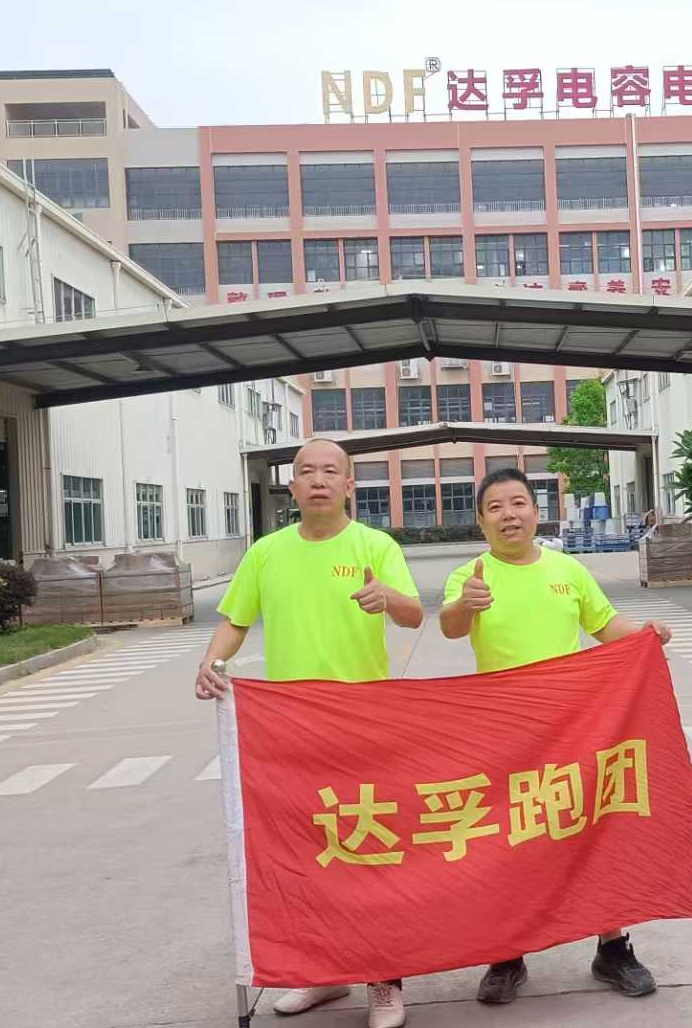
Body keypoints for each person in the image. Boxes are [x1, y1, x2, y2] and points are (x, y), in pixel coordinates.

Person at [193, 438, 421, 1028]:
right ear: (291, 487)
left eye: (330, 471)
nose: (318, 480)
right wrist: (212, 663)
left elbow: (414, 615)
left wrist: (387, 597)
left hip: (363, 725)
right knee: (307, 853)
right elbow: (235, 620)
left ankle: (384, 981)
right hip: (291, 731)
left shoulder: (375, 546)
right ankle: (322, 974)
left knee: (369, 853)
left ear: (349, 485)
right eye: (306, 472)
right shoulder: (267, 553)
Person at [438, 467, 674, 1006]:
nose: (509, 515)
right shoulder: (470, 576)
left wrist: (645, 635)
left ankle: (612, 948)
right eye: (495, 507)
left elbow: (605, 626)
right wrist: (466, 603)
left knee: (591, 831)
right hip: (504, 735)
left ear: (536, 511)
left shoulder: (568, 570)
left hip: (573, 730)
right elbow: (451, 627)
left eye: (518, 503)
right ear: (481, 521)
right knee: (508, 841)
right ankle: (507, 953)